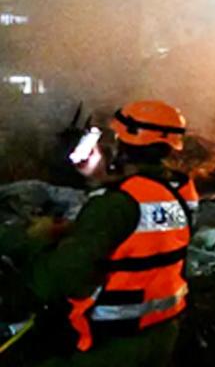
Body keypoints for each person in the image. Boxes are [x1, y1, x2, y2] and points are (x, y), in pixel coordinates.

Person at [20, 100, 197, 367]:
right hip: (163, 333)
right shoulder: (182, 190)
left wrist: (35, 246)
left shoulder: (114, 203)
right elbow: (146, 236)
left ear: (124, 143)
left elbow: (65, 277)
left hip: (109, 342)